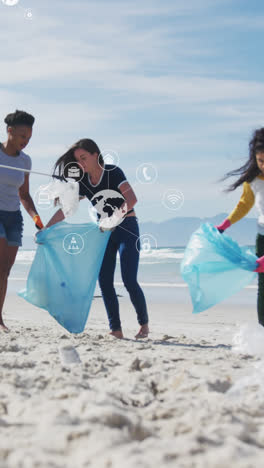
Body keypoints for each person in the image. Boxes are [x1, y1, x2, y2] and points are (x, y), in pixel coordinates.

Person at [46, 138, 149, 339]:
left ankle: (144, 324)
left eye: (84, 158)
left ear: (95, 154)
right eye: (78, 161)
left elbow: (132, 199)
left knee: (129, 279)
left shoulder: (113, 172)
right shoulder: (84, 182)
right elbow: (67, 210)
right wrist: (46, 228)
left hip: (127, 227)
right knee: (104, 281)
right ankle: (116, 329)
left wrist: (113, 219)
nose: (82, 164)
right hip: (105, 232)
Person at [0, 110, 44, 331]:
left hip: (14, 217)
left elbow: (24, 196)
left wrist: (37, 220)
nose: (25, 142)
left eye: (29, 138)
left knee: (5, 270)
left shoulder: (26, 161)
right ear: (10, 131)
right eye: (22, 136)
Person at [216, 127, 264, 326]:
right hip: (262, 235)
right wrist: (224, 225)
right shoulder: (253, 179)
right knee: (263, 286)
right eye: (261, 161)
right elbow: (244, 204)